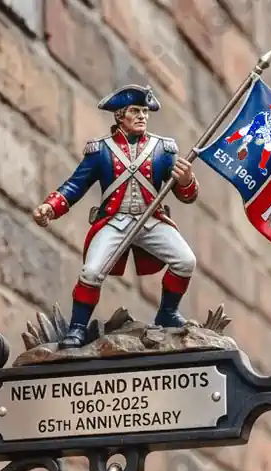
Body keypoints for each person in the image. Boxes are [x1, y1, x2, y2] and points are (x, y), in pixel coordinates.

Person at [32, 85, 199, 347]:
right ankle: (77, 328)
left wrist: (186, 180)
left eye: (145, 111)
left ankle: (167, 312)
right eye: (135, 111)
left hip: (150, 220)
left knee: (185, 261)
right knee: (91, 272)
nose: (142, 116)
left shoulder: (163, 149)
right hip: (115, 221)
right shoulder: (100, 151)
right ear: (120, 116)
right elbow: (76, 185)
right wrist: (50, 207)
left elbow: (186, 195)